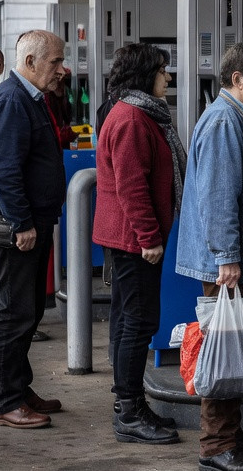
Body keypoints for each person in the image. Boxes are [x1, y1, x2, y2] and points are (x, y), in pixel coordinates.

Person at [176, 41, 243, 471]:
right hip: (228, 264)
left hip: (236, 259)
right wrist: (227, 258)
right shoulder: (225, 122)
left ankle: (231, 435)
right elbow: (219, 197)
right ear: (237, 79)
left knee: (238, 344)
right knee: (224, 347)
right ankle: (216, 446)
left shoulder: (235, 118)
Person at [0, 30, 67, 430]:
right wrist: (22, 224)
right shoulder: (12, 100)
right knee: (14, 312)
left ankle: (19, 386)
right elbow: (4, 171)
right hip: (17, 226)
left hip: (31, 221)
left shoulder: (29, 98)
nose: (62, 70)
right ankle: (6, 401)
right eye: (55, 62)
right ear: (30, 63)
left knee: (28, 310)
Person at [93, 43, 182, 445]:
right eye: (163, 71)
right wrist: (149, 237)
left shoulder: (137, 113)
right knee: (137, 323)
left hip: (132, 238)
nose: (168, 78)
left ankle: (132, 405)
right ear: (146, 75)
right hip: (133, 240)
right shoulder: (131, 118)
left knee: (135, 320)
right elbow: (132, 186)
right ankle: (128, 411)